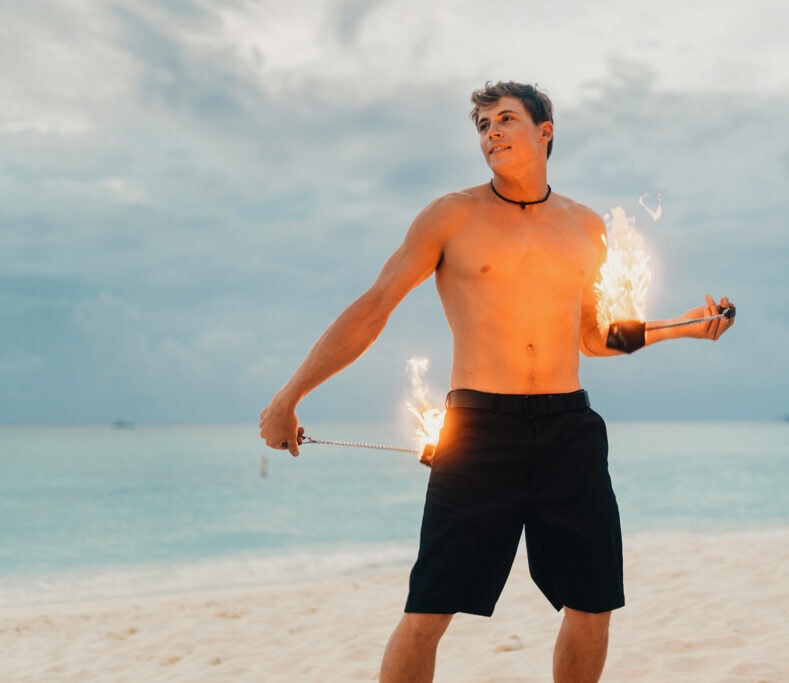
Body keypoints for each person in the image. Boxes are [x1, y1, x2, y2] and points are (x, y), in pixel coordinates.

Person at [259, 81, 735, 683]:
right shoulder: (451, 216)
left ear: (546, 131)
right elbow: (375, 305)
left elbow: (594, 336)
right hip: (479, 431)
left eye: (506, 120)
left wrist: (684, 328)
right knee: (428, 609)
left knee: (593, 607)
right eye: (483, 126)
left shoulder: (587, 226)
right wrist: (290, 395)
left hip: (568, 427)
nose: (492, 134)